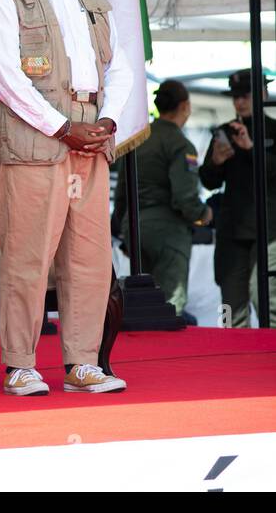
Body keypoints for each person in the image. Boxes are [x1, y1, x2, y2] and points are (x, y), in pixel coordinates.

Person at [0, 0, 133, 396]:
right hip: (36, 142)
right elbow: (4, 79)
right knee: (28, 256)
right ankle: (21, 364)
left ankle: (82, 362)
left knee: (89, 258)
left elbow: (123, 67)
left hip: (90, 138)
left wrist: (107, 122)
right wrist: (63, 128)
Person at [113, 80, 210, 320]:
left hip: (134, 228)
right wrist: (203, 215)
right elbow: (184, 197)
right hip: (168, 231)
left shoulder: (138, 139)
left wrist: (123, 232)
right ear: (185, 106)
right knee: (169, 305)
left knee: (144, 304)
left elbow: (123, 192)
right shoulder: (180, 144)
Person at [199, 69, 276, 327]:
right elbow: (209, 181)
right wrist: (216, 162)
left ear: (262, 94)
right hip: (231, 231)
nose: (239, 102)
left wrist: (252, 150)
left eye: (244, 95)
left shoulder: (274, 130)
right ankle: (231, 355)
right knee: (230, 305)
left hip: (268, 230)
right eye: (235, 97)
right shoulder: (223, 131)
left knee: (264, 295)